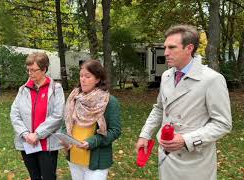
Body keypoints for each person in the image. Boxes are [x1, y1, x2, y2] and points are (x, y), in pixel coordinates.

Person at [135, 25, 232, 180]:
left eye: (172, 47)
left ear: (189, 48)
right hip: (167, 158)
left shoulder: (212, 79)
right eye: (165, 47)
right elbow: (160, 108)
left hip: (194, 163)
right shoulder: (167, 75)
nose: (166, 52)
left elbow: (223, 123)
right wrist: (145, 135)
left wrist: (187, 140)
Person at [63, 59, 121, 180]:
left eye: (88, 76)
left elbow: (115, 131)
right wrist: (64, 136)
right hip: (74, 157)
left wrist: (92, 142)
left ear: (98, 79)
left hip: (97, 161)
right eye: (81, 76)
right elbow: (66, 122)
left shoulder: (109, 101)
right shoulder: (74, 97)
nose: (83, 79)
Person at [10, 52, 64, 180]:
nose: (30, 73)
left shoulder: (56, 89)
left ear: (44, 69)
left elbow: (58, 116)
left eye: (34, 70)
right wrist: (25, 134)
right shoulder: (23, 89)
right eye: (28, 70)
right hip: (27, 142)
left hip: (47, 144)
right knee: (34, 177)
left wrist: (37, 134)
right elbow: (14, 113)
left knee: (48, 177)